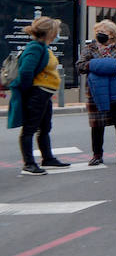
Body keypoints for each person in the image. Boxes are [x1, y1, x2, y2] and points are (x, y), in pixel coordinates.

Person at [7, 16, 69, 175]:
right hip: (37, 94)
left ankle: (47, 158)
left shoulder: (42, 47)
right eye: (55, 31)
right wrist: (32, 92)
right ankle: (29, 164)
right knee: (30, 128)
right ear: (49, 32)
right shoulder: (35, 47)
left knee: (44, 127)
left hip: (43, 94)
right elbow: (26, 71)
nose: (57, 34)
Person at [76, 20, 116, 166]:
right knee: (97, 125)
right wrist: (109, 65)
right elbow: (80, 67)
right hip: (96, 92)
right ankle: (97, 155)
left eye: (103, 31)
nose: (99, 34)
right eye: (97, 31)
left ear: (112, 34)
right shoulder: (89, 49)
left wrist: (102, 66)